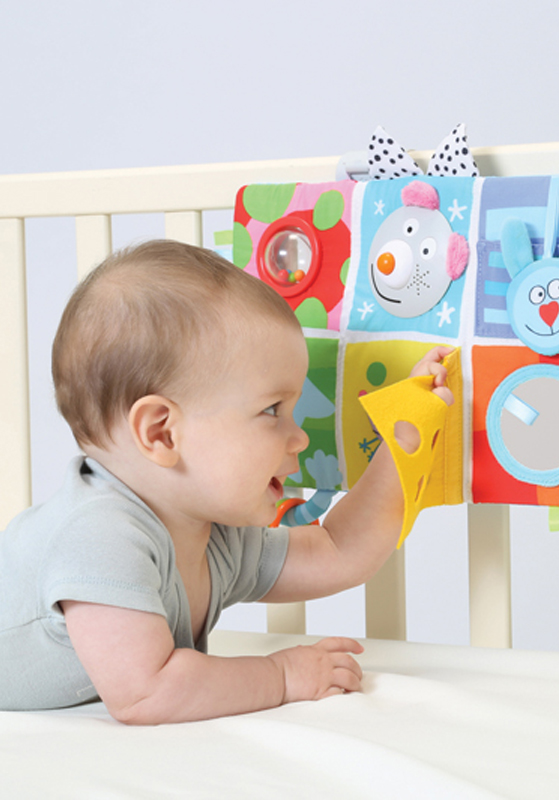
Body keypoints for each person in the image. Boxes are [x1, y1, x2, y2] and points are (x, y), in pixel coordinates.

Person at [0, 240, 452, 725]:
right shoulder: (99, 536)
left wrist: (401, 443)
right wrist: (281, 676)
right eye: (272, 410)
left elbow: (340, 551)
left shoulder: (213, 534)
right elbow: (146, 692)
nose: (299, 438)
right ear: (162, 433)